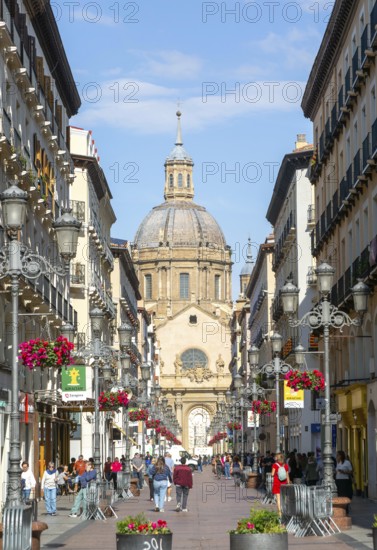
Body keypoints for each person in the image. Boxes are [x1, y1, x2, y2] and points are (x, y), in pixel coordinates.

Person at [271, 453, 290, 517]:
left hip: (277, 483)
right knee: (284, 498)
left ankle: (280, 513)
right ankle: (285, 511)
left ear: (277, 458)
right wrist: (288, 482)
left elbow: (272, 474)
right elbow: (287, 475)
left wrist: (276, 473)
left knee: (278, 499)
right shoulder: (286, 465)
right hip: (284, 483)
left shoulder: (275, 465)